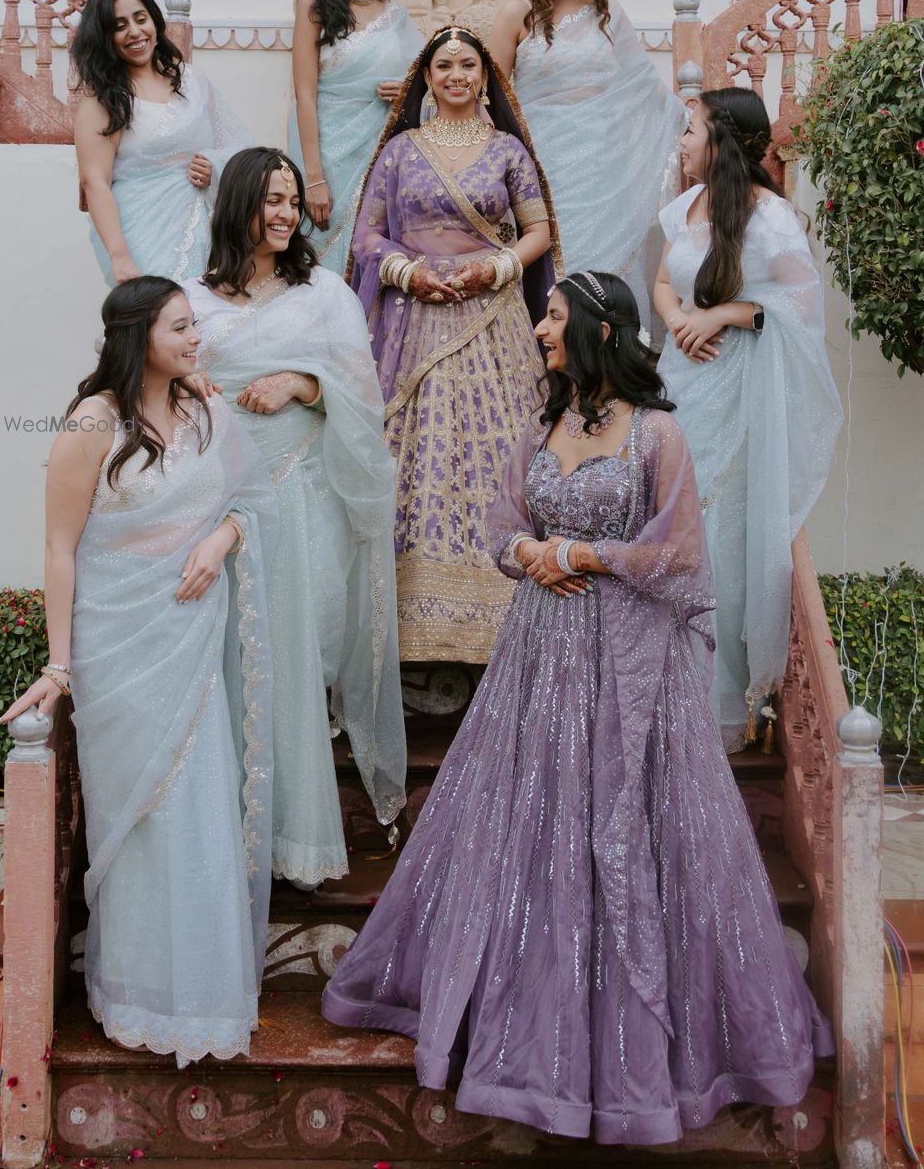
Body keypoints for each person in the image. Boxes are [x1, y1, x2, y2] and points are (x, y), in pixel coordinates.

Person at [322, 270, 833, 1144]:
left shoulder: (658, 435)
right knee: (533, 828)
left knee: (636, 829)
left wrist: (583, 555)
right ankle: (523, 1033)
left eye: (553, 317)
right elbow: (498, 529)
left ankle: (643, 1059)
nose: (540, 332)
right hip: (538, 666)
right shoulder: (539, 428)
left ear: (600, 329)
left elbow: (678, 553)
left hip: (635, 669)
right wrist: (530, 548)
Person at [0, 277, 277, 1066]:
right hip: (118, 643)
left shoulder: (206, 411)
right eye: (181, 328)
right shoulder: (92, 423)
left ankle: (205, 999)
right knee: (142, 821)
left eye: (195, 327)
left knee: (197, 807)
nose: (197, 340)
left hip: (190, 633)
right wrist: (60, 666)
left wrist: (220, 540)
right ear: (137, 336)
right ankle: (137, 992)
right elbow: (60, 547)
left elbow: (252, 500)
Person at [188, 147, 406, 888]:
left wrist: (301, 382)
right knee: (222, 664)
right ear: (238, 205)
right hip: (214, 504)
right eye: (270, 200)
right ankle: (220, 838)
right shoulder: (194, 297)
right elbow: (163, 380)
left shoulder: (323, 294)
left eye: (290, 200)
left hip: (301, 496)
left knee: (288, 661)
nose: (284, 214)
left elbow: (361, 391)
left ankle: (290, 840)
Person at [347, 24, 562, 664]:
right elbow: (367, 237)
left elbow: (538, 231)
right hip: (411, 322)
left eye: (469, 64)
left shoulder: (507, 152)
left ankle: (506, 626)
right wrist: (408, 272)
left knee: (501, 452)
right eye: (444, 66)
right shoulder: (400, 151)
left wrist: (489, 270)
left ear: (486, 76)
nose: (457, 76)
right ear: (427, 77)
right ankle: (408, 639)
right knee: (414, 455)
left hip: (492, 320)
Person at [654, 87, 843, 749]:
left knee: (717, 538)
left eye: (690, 130)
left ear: (721, 140)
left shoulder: (772, 219)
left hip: (738, 388)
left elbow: (798, 305)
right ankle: (657, 685)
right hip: (680, 381)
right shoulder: (686, 205)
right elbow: (662, 281)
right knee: (667, 522)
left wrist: (725, 313)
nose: (680, 142)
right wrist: (680, 318)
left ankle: (712, 707)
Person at [489, 0, 685, 335]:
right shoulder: (517, 13)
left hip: (602, 167)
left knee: (602, 272)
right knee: (554, 268)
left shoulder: (607, 10)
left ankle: (604, 382)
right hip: (543, 166)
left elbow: (643, 86)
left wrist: (691, 122)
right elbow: (494, 103)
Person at [73, 0, 251, 286]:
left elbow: (241, 149)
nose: (134, 32)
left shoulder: (192, 80)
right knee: (157, 322)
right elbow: (95, 182)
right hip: (141, 234)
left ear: (155, 21)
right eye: (119, 26)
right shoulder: (103, 100)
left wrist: (214, 167)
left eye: (140, 19)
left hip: (208, 230)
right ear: (105, 37)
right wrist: (119, 256)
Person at [288, 0, 422, 273]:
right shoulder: (312, 4)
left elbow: (429, 79)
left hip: (381, 148)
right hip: (329, 151)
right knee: (323, 249)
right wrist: (313, 178)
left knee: (378, 247)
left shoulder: (397, 16)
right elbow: (303, 94)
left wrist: (409, 92)